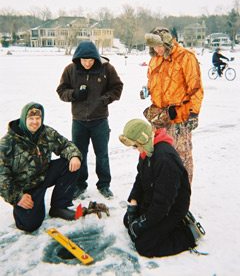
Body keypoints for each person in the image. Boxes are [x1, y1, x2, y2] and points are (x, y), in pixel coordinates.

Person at [119, 119, 205, 258]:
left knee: (144, 245)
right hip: (153, 199)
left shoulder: (165, 159)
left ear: (143, 139)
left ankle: (187, 234)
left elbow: (163, 203)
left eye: (135, 145)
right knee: (128, 221)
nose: (134, 148)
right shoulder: (147, 151)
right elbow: (140, 179)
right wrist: (133, 203)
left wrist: (143, 224)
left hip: (171, 209)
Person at [0, 102, 82, 232]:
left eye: (38, 118)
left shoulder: (46, 132)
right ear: (23, 119)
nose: (35, 122)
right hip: (26, 188)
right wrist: (17, 196)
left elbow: (65, 145)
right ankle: (23, 209)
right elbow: (2, 175)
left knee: (69, 164)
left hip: (44, 175)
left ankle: (59, 207)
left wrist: (74, 156)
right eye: (31, 118)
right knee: (30, 226)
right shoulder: (8, 142)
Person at [56, 41, 123, 199]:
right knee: (79, 154)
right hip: (79, 120)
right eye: (84, 60)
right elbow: (61, 90)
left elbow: (117, 87)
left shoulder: (106, 69)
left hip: (99, 120)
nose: (87, 63)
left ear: (95, 58)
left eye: (90, 60)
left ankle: (104, 184)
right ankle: (79, 184)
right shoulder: (70, 70)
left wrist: (104, 99)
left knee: (102, 154)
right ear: (78, 58)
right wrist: (74, 94)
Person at [142, 27, 204, 185]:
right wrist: (147, 90)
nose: (157, 50)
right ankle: (163, 195)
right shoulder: (155, 59)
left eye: (160, 46)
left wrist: (194, 113)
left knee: (181, 160)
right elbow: (152, 81)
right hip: (159, 118)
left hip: (179, 118)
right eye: (154, 47)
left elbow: (196, 88)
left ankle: (182, 201)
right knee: (160, 159)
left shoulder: (185, 57)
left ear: (168, 42)